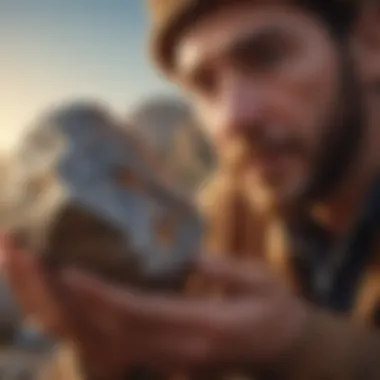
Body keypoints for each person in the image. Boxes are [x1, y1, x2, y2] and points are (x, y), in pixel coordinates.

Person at [2, 0, 380, 378]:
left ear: (368, 43)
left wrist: (299, 346)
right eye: (205, 84)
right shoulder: (224, 212)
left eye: (268, 58)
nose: (233, 117)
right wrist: (107, 354)